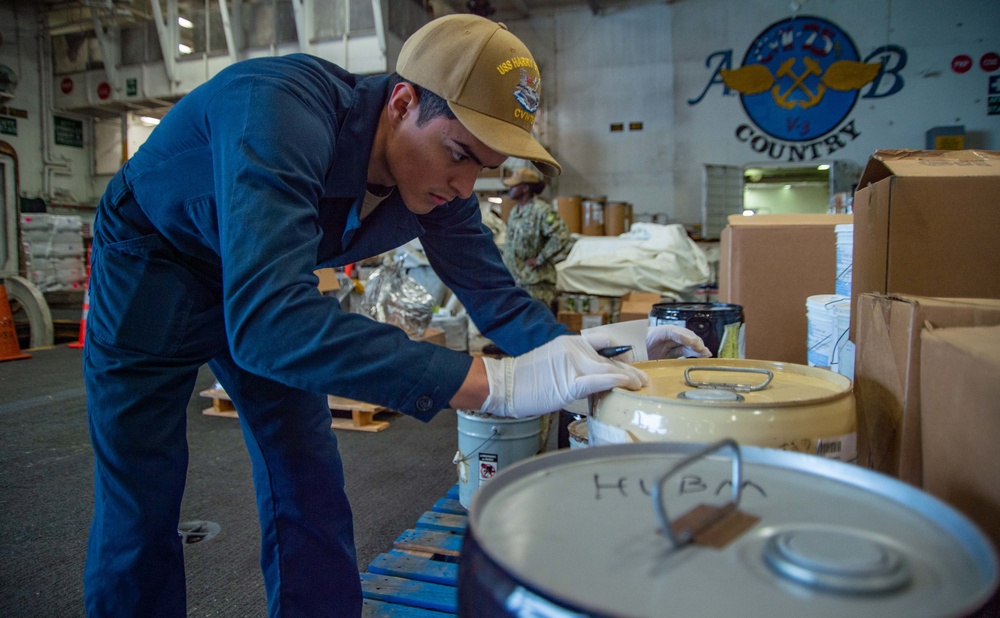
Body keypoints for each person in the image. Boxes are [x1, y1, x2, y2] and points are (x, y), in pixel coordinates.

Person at [81, 14, 706, 618]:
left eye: (481, 169)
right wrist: (495, 384)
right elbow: (269, 320)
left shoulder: (437, 183)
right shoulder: (277, 110)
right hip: (154, 266)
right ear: (403, 102)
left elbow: (494, 296)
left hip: (264, 281)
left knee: (306, 468)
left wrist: (591, 355)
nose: (464, 187)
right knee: (143, 492)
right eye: (458, 153)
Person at [501, 167, 572, 313]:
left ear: (525, 188)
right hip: (517, 281)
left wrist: (540, 259)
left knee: (537, 326)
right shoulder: (515, 212)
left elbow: (562, 236)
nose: (510, 189)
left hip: (536, 284)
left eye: (514, 186)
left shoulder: (541, 210)